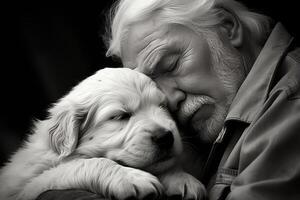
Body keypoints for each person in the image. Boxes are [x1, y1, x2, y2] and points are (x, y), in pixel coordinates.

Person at [37, 0, 300, 199]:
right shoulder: (219, 121)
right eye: (152, 84)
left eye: (171, 64)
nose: (168, 99)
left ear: (227, 26)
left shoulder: (291, 103)